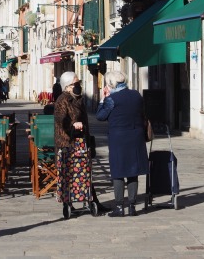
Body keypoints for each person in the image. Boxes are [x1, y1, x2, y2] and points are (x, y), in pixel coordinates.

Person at [54, 71, 109, 214]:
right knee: (68, 174)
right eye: (75, 84)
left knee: (84, 173)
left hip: (82, 142)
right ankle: (69, 202)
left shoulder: (78, 99)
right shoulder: (62, 100)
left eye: (79, 83)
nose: (79, 86)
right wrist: (72, 126)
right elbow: (61, 121)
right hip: (68, 143)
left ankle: (92, 200)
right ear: (67, 86)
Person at [96, 70, 148, 217]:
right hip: (136, 137)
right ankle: (132, 206)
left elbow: (100, 116)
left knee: (118, 172)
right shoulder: (136, 95)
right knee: (133, 172)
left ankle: (119, 207)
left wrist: (102, 99)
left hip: (119, 139)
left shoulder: (112, 99)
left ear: (111, 84)